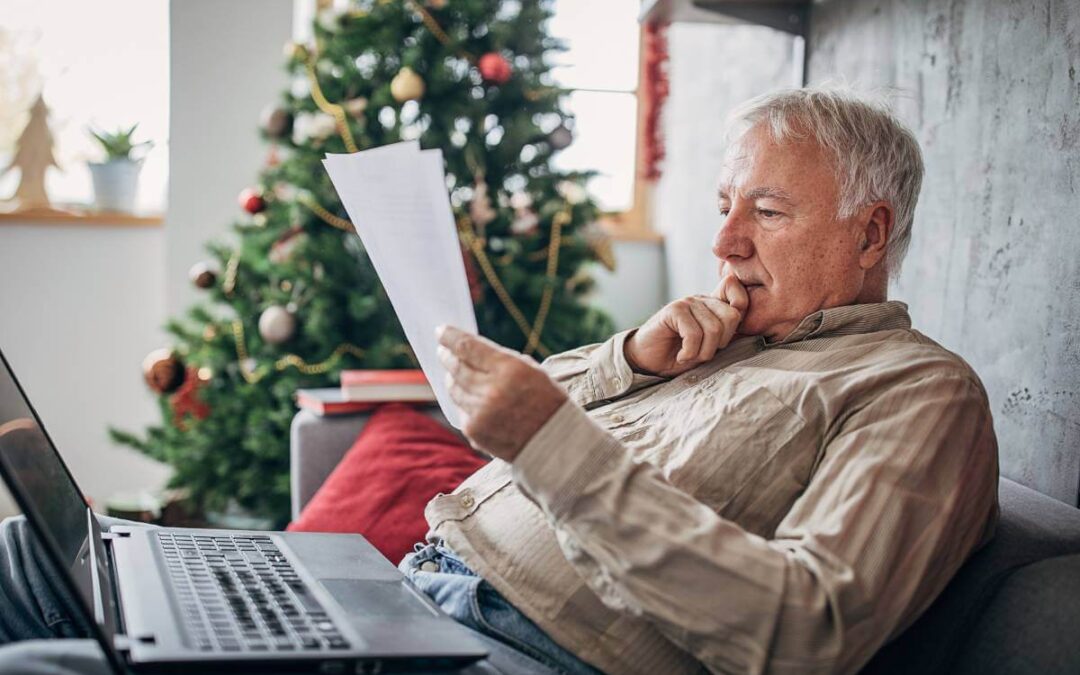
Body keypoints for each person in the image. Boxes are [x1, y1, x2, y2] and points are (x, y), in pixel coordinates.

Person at [0, 87, 998, 675]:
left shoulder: (916, 393)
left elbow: (806, 632)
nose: (723, 241)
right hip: (411, 591)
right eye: (726, 204)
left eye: (768, 213)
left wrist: (554, 444)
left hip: (507, 653)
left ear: (869, 233)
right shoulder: (726, 335)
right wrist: (630, 359)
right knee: (32, 557)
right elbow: (515, 410)